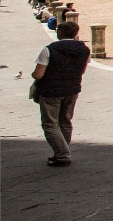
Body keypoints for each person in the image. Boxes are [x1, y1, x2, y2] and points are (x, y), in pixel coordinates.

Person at [32, 21, 90, 166]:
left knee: (50, 124)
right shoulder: (84, 50)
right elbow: (82, 70)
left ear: (59, 33)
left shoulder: (49, 49)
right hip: (72, 88)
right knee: (65, 121)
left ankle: (62, 155)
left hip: (50, 90)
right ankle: (61, 152)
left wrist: (33, 74)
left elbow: (38, 74)